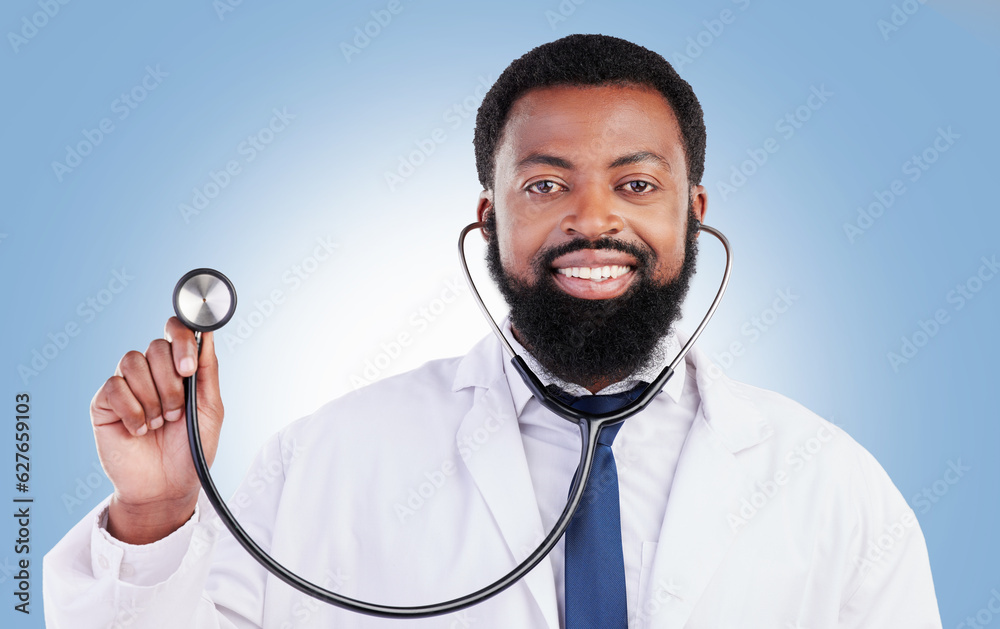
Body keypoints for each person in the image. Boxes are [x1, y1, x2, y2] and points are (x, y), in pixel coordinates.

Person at [44, 34, 942, 628]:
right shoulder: (325, 463)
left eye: (636, 184)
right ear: (490, 219)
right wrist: (158, 514)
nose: (594, 220)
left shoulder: (833, 488)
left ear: (694, 212)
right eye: (546, 184)